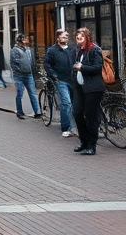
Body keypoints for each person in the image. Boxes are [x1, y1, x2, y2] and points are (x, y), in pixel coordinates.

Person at [72, 27, 105, 155]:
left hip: (93, 88)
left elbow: (97, 67)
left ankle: (91, 145)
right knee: (77, 113)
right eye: (77, 37)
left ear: (88, 37)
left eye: (82, 36)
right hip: (80, 87)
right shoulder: (77, 51)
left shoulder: (94, 50)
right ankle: (84, 141)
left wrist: (82, 67)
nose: (79, 38)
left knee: (90, 116)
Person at [43, 29, 76, 138]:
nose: (66, 38)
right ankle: (66, 127)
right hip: (60, 80)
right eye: (63, 37)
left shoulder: (72, 49)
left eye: (67, 36)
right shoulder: (52, 50)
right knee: (66, 102)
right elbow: (47, 64)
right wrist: (54, 75)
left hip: (72, 79)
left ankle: (74, 126)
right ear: (58, 38)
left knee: (73, 103)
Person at [10, 33, 41, 120]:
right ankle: (19, 111)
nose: (25, 40)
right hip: (19, 75)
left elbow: (32, 62)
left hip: (29, 74)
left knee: (33, 93)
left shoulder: (29, 50)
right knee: (20, 93)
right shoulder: (15, 50)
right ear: (19, 40)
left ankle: (37, 112)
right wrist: (19, 71)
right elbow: (13, 63)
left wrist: (32, 70)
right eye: (23, 39)